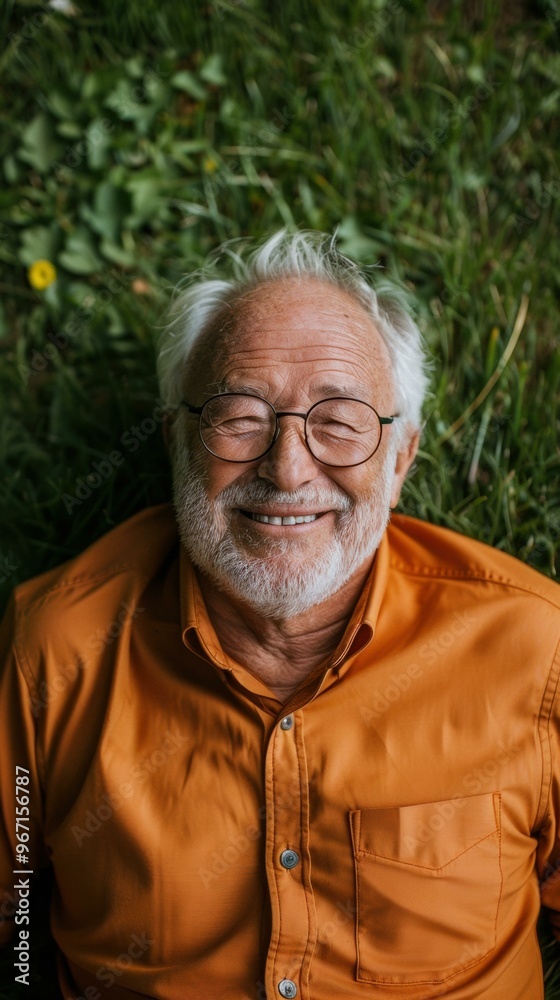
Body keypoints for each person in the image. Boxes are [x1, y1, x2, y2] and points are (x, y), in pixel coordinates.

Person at [1, 229, 559, 1000]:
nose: (288, 468)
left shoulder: (536, 650)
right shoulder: (54, 651)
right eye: (240, 415)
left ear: (400, 461)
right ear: (176, 442)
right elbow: (15, 935)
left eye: (339, 420)